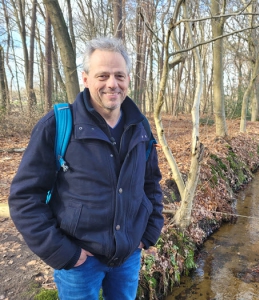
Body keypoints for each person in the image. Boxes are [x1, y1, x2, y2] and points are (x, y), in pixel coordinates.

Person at [8, 37, 164, 300]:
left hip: (128, 257)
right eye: (102, 75)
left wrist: (148, 233)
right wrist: (64, 253)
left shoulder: (141, 128)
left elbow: (151, 184)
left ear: (128, 79)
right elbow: (24, 199)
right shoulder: (57, 125)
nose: (112, 84)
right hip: (79, 264)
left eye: (119, 75)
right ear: (85, 78)